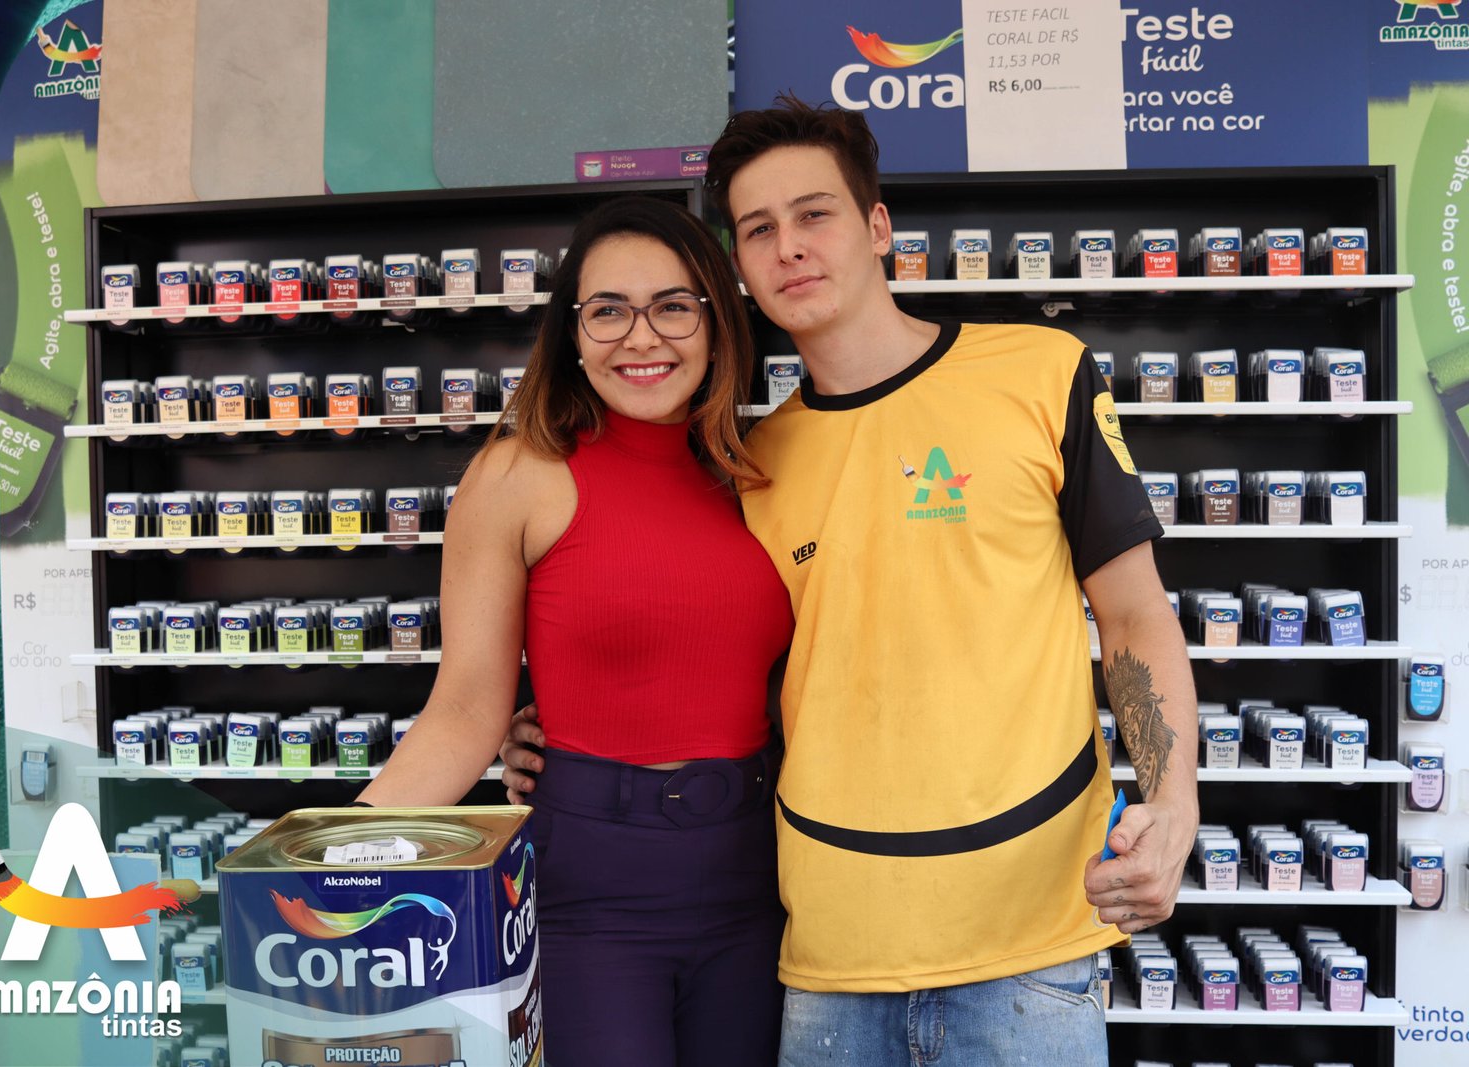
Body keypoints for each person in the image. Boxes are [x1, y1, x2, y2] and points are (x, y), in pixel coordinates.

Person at [503, 98, 1200, 1064]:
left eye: (814, 213)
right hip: (826, 958)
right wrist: (556, 729)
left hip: (1028, 944)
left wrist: (1174, 801)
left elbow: (1132, 614)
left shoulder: (1043, 374)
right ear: (740, 269)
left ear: (877, 226)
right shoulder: (747, 464)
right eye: (758, 229)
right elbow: (701, 653)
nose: (789, 246)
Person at [355, 195, 793, 1066]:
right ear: (572, 331)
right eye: (609, 311)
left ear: (717, 324)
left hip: (758, 880)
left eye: (673, 306)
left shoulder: (766, 471)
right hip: (591, 893)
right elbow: (464, 710)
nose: (642, 337)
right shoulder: (518, 474)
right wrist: (339, 855)